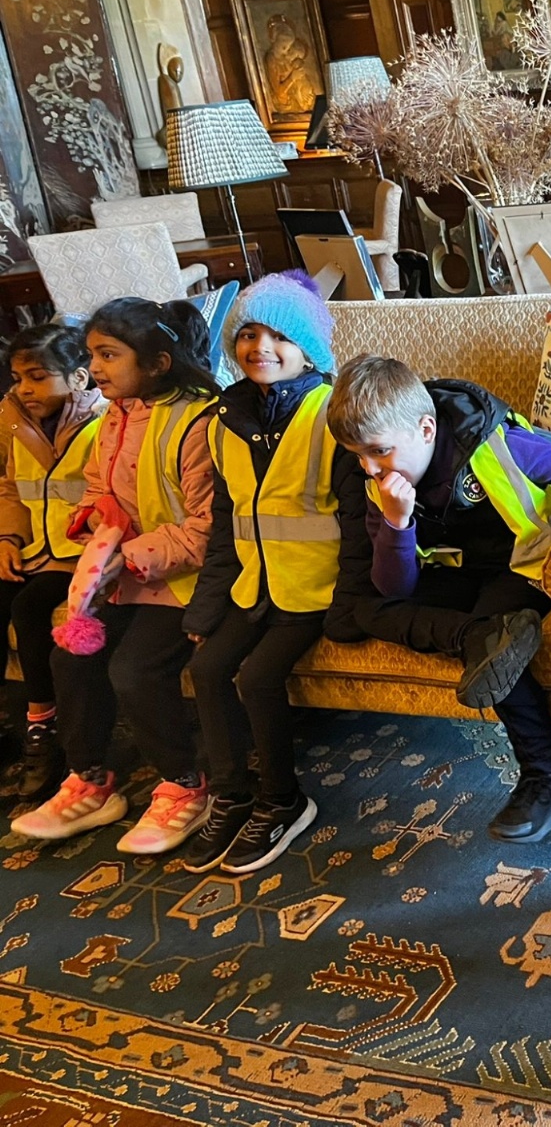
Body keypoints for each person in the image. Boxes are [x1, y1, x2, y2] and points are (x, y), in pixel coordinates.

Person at [327, 355, 551, 844]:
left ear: (426, 429)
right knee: (365, 607)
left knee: (498, 641)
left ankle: (547, 779)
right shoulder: (379, 485)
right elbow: (394, 587)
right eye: (357, 456)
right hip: (458, 572)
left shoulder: (496, 444)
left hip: (525, 563)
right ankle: (476, 637)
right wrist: (397, 523)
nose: (369, 468)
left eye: (378, 451)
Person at [10, 299, 218, 853]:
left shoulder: (197, 421)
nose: (94, 367)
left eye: (108, 355)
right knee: (69, 658)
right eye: (92, 355)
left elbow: (206, 529)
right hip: (127, 575)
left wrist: (128, 556)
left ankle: (185, 785)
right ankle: (90, 782)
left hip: (188, 583)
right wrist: (92, 525)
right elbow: (101, 487)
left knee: (135, 670)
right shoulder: (114, 416)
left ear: (157, 362)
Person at [180, 273, 369, 875]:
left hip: (314, 591)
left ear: (309, 351)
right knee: (207, 668)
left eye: (280, 336)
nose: (260, 346)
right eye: (248, 334)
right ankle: (232, 794)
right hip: (254, 588)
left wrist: (350, 603)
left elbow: (360, 524)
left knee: (258, 678)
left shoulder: (332, 415)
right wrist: (207, 607)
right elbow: (225, 525)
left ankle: (283, 801)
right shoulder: (222, 422)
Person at [0, 324, 106, 800]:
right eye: (18, 378)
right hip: (35, 549)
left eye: (38, 377)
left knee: (28, 608)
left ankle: (42, 727)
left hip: (79, 556)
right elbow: (10, 489)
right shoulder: (14, 421)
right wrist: (7, 538)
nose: (25, 389)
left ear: (79, 378)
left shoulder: (101, 423)